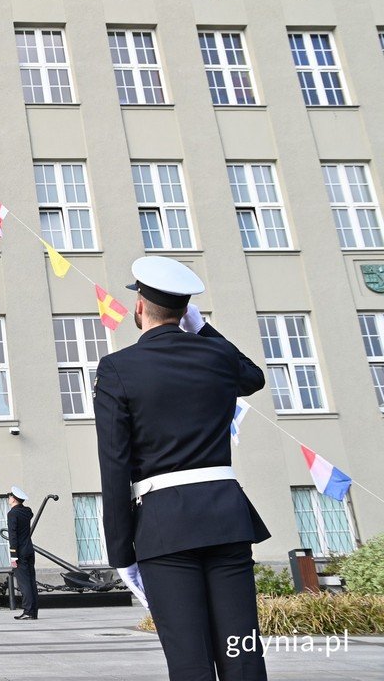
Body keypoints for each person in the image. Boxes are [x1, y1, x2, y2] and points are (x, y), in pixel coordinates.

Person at [95, 256, 269, 681]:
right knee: (241, 651)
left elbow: (114, 465)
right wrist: (202, 327)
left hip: (163, 528)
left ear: (139, 308)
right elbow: (253, 378)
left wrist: (121, 553)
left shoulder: (118, 368)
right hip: (226, 519)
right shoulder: (217, 356)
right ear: (185, 312)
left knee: (189, 660)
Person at [7, 486, 37, 620]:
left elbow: (13, 536)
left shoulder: (13, 513)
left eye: (9, 496)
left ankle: (28, 611)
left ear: (14, 499)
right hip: (29, 549)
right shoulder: (27, 511)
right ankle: (33, 612)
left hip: (20, 552)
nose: (8, 498)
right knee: (31, 582)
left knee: (24, 583)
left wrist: (13, 556)